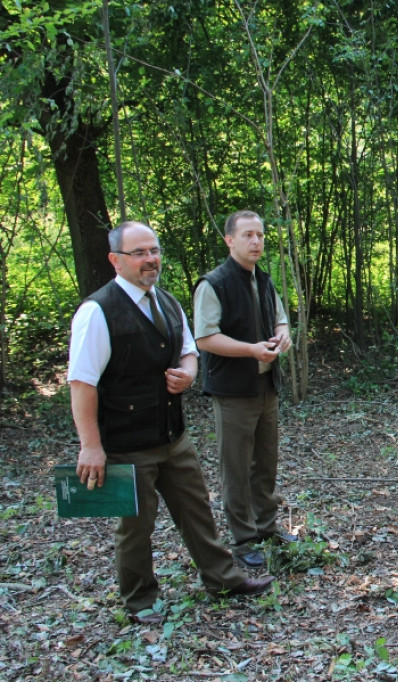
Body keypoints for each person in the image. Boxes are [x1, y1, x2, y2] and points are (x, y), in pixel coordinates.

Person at [69, 221, 274, 625]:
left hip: (172, 434)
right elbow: (81, 383)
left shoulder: (165, 302)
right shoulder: (97, 311)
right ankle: (141, 600)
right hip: (126, 441)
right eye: (139, 253)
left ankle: (224, 579)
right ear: (116, 260)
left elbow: (188, 350)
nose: (150, 259)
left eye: (154, 250)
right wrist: (91, 446)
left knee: (196, 509)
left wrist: (189, 373)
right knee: (136, 527)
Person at [194, 211, 297, 569]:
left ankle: (266, 527)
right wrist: (251, 349)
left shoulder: (264, 281)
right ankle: (243, 540)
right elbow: (205, 338)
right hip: (233, 391)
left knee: (265, 463)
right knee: (236, 468)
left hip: (266, 386)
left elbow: (280, 317)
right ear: (230, 240)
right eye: (248, 235)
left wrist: (283, 335)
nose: (256, 241)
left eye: (260, 235)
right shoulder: (214, 284)